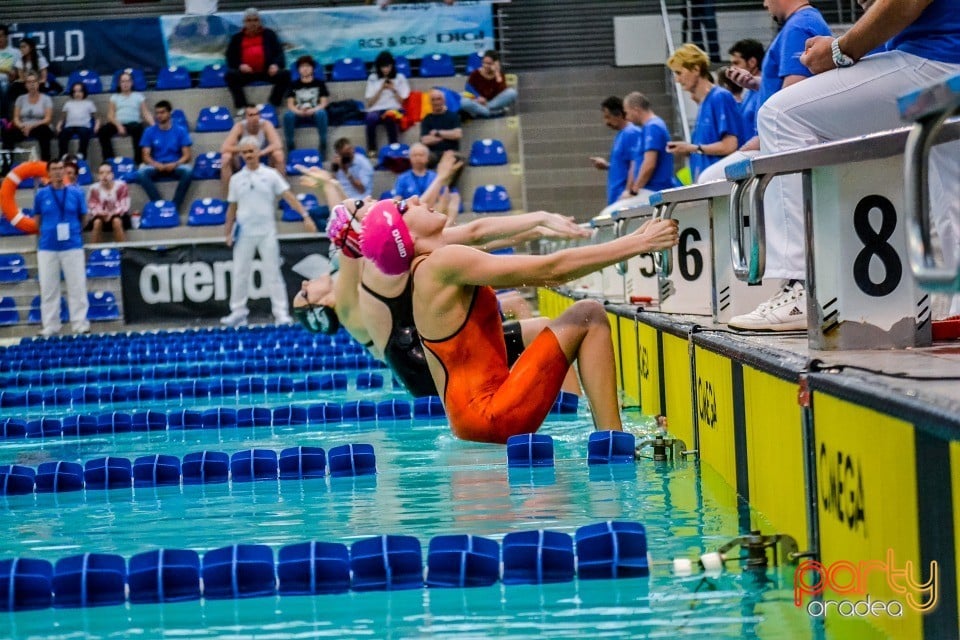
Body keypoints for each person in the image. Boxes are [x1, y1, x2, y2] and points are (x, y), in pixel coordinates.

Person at [359, 197, 679, 443]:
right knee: (589, 314)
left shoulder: (430, 266)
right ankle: (615, 442)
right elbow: (552, 271)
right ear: (404, 236)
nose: (415, 200)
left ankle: (597, 422)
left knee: (545, 326)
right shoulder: (443, 263)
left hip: (471, 420)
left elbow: (480, 234)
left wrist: (536, 224)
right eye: (404, 206)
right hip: (490, 415)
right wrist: (640, 242)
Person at [728, 0, 960, 330]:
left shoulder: (801, 24)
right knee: (951, 195)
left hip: (937, 67)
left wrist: (839, 50)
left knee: (781, 116)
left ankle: (804, 284)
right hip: (945, 72)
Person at [295, 164, 591, 398]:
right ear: (321, 305)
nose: (305, 284)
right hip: (425, 366)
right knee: (544, 328)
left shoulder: (373, 267)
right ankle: (570, 414)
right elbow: (346, 235)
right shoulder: (350, 306)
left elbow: (474, 235)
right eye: (305, 293)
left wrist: (538, 228)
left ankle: (535, 388)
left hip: (427, 355)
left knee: (515, 305)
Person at [699, 2, 830, 183]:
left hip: (778, 142)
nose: (764, 3)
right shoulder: (800, 24)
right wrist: (757, 83)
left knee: (709, 180)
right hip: (774, 140)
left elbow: (792, 99)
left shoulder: (799, 27)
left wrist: (759, 141)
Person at [221, 135, 317, 327]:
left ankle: (280, 313)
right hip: (244, 234)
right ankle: (238, 312)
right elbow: (232, 207)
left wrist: (305, 215)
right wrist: (228, 231)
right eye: (245, 152)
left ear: (258, 152)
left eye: (251, 151)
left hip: (267, 233)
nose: (249, 155)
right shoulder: (236, 179)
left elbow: (288, 196)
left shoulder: (271, 175)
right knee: (240, 273)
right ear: (241, 154)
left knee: (273, 272)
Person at [665, 43, 744, 183]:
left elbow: (730, 145)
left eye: (679, 73)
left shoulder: (720, 97)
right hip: (706, 183)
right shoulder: (704, 104)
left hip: (720, 184)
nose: (677, 80)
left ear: (695, 69)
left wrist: (693, 148)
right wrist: (688, 150)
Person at [34, 158, 90, 337]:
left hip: (72, 246)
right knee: (49, 288)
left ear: (65, 172)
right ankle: (50, 326)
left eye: (61, 169)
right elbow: (37, 221)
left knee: (77, 287)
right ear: (48, 173)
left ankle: (80, 324)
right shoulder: (41, 195)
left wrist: (74, 232)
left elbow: (84, 217)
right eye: (54, 169)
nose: (58, 172)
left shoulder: (76, 193)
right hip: (48, 247)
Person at [128, 100, 193, 211]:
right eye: (157, 113)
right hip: (157, 165)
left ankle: (174, 208)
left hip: (175, 165)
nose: (159, 115)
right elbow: (145, 156)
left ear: (169, 113)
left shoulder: (180, 131)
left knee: (188, 171)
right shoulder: (149, 131)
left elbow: (187, 156)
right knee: (141, 173)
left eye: (162, 112)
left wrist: (175, 163)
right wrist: (156, 164)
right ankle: (159, 205)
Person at [224, 7, 290, 111]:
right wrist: (240, 66)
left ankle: (273, 104)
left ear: (260, 21)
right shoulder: (237, 38)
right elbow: (230, 57)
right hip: (246, 74)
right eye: (249, 20)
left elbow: (279, 53)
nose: (252, 23)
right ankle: (242, 107)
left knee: (285, 75)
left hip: (267, 72)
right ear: (244, 22)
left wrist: (275, 65)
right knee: (230, 75)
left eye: (255, 20)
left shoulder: (269, 34)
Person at [622, 91, 680, 201]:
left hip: (654, 189)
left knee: (610, 214)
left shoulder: (653, 127)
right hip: (649, 188)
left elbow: (649, 164)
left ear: (636, 110)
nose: (627, 118)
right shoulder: (648, 128)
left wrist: (634, 190)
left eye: (627, 113)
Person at [219, 103, 284, 197]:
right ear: (245, 117)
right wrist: (246, 150)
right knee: (226, 157)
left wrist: (261, 152)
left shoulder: (266, 125)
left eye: (257, 114)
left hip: (262, 157)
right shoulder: (239, 126)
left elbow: (278, 144)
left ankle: (280, 193)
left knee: (278, 154)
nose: (255, 117)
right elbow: (224, 148)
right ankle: (229, 196)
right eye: (251, 115)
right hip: (244, 158)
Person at [589, 96, 642, 206]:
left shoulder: (631, 133)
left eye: (608, 117)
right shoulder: (621, 135)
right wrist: (607, 166)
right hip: (616, 196)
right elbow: (624, 165)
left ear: (618, 114)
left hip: (624, 197)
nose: (606, 122)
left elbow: (635, 163)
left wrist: (629, 191)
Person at [97, 70, 153, 165]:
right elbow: (110, 116)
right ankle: (109, 161)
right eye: (123, 81)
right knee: (102, 131)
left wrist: (154, 125)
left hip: (133, 124)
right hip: (117, 123)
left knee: (139, 129)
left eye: (127, 81)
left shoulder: (138, 96)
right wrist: (119, 126)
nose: (125, 84)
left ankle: (138, 162)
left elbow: (146, 113)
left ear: (131, 83)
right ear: (119, 84)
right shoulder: (114, 97)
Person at [394, 144, 462, 217]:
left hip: (432, 212)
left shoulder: (434, 176)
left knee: (452, 198)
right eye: (414, 155)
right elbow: (397, 200)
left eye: (421, 155)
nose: (418, 158)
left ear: (427, 157)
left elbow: (442, 200)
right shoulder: (403, 178)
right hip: (410, 214)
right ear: (409, 158)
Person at [282, 55, 329, 160]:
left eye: (308, 66)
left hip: (315, 113)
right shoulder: (293, 84)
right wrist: (298, 112)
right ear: (298, 70)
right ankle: (291, 149)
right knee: (288, 115)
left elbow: (324, 103)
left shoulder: (320, 84)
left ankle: (323, 147)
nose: (305, 68)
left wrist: (313, 110)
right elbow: (290, 104)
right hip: (299, 113)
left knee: (322, 113)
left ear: (312, 68)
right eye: (302, 66)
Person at [364, 50, 410, 156]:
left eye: (388, 66)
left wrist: (393, 89)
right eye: (383, 67)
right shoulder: (373, 78)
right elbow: (370, 103)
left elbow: (402, 101)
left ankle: (393, 149)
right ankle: (372, 150)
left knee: (390, 117)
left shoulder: (400, 78)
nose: (385, 69)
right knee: (370, 118)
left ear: (392, 66)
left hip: (394, 109)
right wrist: (381, 89)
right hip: (376, 109)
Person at [1, 71, 54, 161]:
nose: (32, 84)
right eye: (29, 82)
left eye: (34, 82)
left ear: (38, 83)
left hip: (39, 126)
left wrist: (32, 126)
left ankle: (46, 164)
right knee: (7, 134)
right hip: (23, 127)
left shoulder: (46, 99)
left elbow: (47, 119)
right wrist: (22, 126)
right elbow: (16, 118)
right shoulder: (20, 99)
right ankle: (6, 168)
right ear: (25, 85)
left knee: (45, 131)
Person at [460, 50, 517, 119]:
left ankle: (483, 112)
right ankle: (492, 113)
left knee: (512, 93)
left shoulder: (499, 75)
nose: (485, 66)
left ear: (495, 64)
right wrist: (478, 97)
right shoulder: (476, 73)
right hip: (478, 102)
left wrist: (497, 74)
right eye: (484, 63)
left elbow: (502, 91)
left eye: (489, 63)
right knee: (463, 101)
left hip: (492, 102)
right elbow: (468, 89)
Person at [726, 39, 765, 139]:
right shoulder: (748, 93)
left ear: (752, 62)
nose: (732, 68)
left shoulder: (764, 91)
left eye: (736, 63)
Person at [87, 162, 130, 243]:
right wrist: (101, 213)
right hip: (101, 216)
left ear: (112, 174)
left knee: (116, 221)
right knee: (97, 222)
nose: (104, 175)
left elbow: (124, 206)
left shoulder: (122, 186)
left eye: (107, 172)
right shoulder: (94, 188)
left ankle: (123, 251)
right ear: (98, 176)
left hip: (119, 216)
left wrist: (112, 213)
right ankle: (94, 251)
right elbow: (92, 206)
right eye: (101, 173)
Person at [419, 89, 462, 167]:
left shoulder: (453, 116)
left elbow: (457, 135)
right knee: (422, 158)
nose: (436, 102)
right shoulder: (426, 119)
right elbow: (424, 140)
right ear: (430, 102)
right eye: (433, 100)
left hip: (451, 152)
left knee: (457, 159)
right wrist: (447, 136)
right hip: (433, 154)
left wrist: (437, 133)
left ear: (444, 100)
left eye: (439, 99)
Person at [56, 82, 99, 160]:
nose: (77, 94)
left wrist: (97, 126)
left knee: (84, 133)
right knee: (63, 134)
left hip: (84, 126)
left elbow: (96, 118)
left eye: (80, 91)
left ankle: (81, 154)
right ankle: (63, 155)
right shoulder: (68, 104)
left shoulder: (89, 103)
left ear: (84, 92)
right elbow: (62, 118)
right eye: (75, 91)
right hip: (70, 126)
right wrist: (59, 126)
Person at [0, 25, 20, 119]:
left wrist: (9, 72)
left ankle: (4, 119)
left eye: (1, 36)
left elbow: (17, 73)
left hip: (9, 82)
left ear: (6, 37)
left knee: (4, 86)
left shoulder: (15, 52)